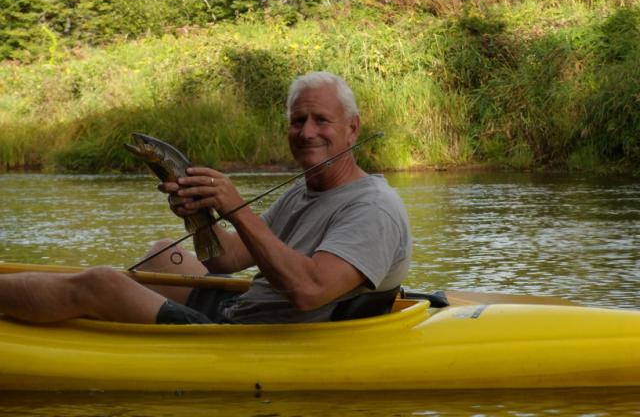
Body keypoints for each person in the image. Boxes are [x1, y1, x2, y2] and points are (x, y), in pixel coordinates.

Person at [0, 71, 411, 325]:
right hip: (244, 311)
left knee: (100, 282)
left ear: (352, 129)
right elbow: (224, 259)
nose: (306, 132)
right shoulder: (303, 193)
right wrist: (199, 214)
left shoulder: (373, 208)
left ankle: (81, 303)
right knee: (163, 253)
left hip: (260, 337)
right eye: (297, 120)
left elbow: (309, 291)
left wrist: (236, 208)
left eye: (322, 120)